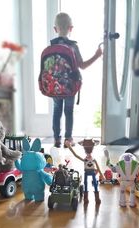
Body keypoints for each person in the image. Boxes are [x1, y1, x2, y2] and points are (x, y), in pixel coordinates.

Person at [51, 12, 103, 148]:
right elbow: (83, 66)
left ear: (55, 29)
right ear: (71, 28)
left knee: (57, 110)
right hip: (69, 86)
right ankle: (68, 139)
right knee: (68, 111)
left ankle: (57, 139)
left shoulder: (51, 46)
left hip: (54, 85)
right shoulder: (73, 46)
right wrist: (97, 55)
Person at [65, 138, 105, 205]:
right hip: (87, 172)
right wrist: (69, 147)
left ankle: (96, 198)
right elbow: (76, 155)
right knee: (86, 184)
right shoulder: (86, 160)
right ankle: (86, 198)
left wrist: (101, 174)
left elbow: (97, 167)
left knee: (95, 183)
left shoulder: (92, 160)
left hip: (92, 172)